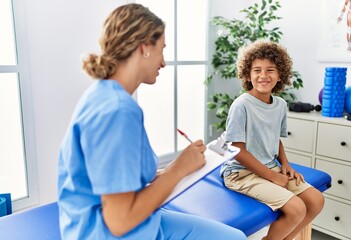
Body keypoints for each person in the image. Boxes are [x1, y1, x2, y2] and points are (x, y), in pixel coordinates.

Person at [57, 3, 246, 240]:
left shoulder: (105, 94)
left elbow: (114, 175)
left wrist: (175, 169)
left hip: (120, 221)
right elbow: (119, 221)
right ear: (145, 47)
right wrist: (178, 170)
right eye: (162, 49)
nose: (164, 62)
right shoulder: (117, 111)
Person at [220, 40, 325, 240]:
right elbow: (236, 149)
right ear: (248, 75)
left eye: (270, 70)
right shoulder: (241, 105)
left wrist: (285, 164)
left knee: (315, 200)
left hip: (271, 166)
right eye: (257, 70)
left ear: (280, 75)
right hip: (240, 173)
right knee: (296, 208)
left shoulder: (280, 105)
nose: (263, 76)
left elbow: (275, 139)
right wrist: (272, 176)